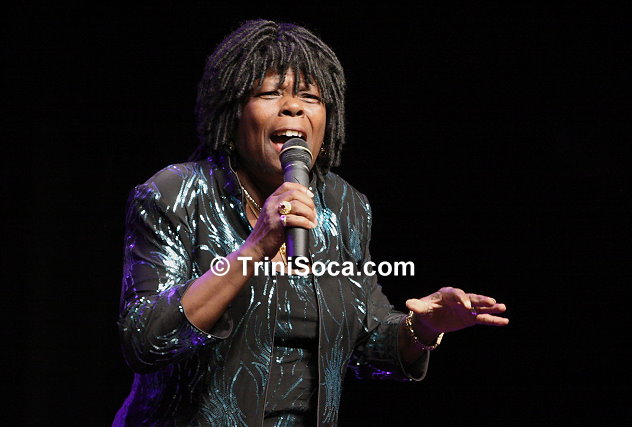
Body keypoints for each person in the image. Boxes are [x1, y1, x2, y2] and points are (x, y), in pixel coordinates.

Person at [113, 19, 509, 426]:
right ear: (233, 113)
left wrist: (421, 328)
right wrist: (255, 247)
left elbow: (366, 345)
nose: (293, 107)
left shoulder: (344, 206)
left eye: (310, 96)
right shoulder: (175, 194)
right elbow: (146, 342)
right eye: (269, 93)